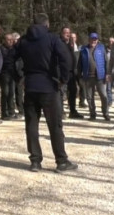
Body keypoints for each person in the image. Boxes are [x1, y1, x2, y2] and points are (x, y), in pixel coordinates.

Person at [14, 13, 79, 173]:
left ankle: (35, 161)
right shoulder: (52, 39)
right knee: (55, 125)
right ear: (47, 24)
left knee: (31, 125)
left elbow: (10, 59)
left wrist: (19, 77)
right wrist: (63, 79)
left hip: (30, 86)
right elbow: (66, 58)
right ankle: (61, 161)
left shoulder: (23, 40)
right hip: (49, 86)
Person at [78, 32, 109, 121]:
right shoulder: (84, 49)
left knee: (104, 96)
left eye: (95, 39)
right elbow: (80, 64)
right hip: (88, 77)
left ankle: (105, 113)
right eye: (92, 39)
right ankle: (92, 114)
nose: (93, 41)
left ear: (97, 40)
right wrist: (80, 76)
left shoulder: (101, 48)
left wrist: (107, 74)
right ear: (89, 40)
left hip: (100, 77)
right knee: (89, 97)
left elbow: (106, 62)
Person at [59, 26, 84, 119]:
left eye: (68, 32)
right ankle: (60, 112)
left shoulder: (70, 44)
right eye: (65, 32)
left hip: (71, 72)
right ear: (61, 33)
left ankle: (72, 111)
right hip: (62, 72)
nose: (67, 34)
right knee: (61, 92)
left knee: (73, 91)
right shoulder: (59, 43)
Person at [0, 33, 21, 120]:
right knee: (5, 92)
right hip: (4, 73)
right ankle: (4, 113)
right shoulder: (1, 48)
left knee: (11, 93)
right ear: (4, 40)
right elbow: (5, 59)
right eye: (8, 40)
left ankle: (11, 111)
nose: (10, 41)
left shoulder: (14, 49)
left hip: (12, 73)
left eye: (11, 40)